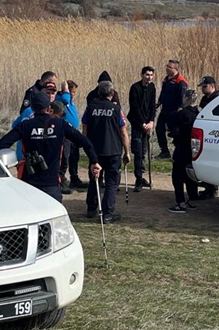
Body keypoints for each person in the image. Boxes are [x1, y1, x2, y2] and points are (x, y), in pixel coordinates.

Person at [0, 91, 100, 202]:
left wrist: (15, 159)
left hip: (29, 181)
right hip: (51, 183)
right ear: (49, 108)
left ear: (32, 108)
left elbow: (2, 144)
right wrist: (94, 161)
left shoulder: (25, 125)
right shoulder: (60, 124)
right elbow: (85, 142)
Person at [82, 80, 130, 222]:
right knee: (111, 183)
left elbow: (84, 129)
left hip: (95, 150)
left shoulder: (90, 108)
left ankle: (91, 208)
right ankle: (108, 213)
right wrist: (127, 151)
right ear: (112, 93)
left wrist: (86, 146)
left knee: (94, 179)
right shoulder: (117, 109)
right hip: (113, 150)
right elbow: (123, 132)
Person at [168, 89, 201, 213]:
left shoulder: (182, 114)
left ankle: (180, 203)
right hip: (194, 149)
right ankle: (192, 199)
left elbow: (172, 123)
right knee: (191, 175)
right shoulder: (198, 114)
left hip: (182, 147)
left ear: (186, 99)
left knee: (177, 176)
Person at [128, 65, 157, 191]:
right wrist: (142, 124)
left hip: (147, 124)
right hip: (137, 124)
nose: (149, 77)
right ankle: (138, 179)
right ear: (142, 75)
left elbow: (152, 105)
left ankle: (141, 175)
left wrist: (151, 121)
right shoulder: (135, 88)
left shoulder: (152, 87)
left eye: (151, 75)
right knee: (138, 151)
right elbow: (135, 107)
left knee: (144, 151)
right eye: (147, 75)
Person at [57, 79, 87, 192]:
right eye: (73, 92)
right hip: (65, 133)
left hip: (73, 132)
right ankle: (61, 179)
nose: (74, 94)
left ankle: (74, 177)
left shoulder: (69, 99)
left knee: (74, 156)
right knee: (65, 156)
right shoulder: (61, 98)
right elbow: (65, 99)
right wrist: (65, 90)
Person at [194, 76, 219, 199]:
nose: (202, 89)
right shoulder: (206, 98)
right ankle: (207, 186)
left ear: (212, 86)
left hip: (216, 133)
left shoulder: (218, 98)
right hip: (206, 132)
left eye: (204, 87)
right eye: (202, 87)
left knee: (213, 160)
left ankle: (212, 189)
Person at [156, 58, 188, 160]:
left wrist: (180, 109)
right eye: (167, 66)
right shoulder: (166, 79)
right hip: (164, 110)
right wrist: (158, 103)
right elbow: (163, 93)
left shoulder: (181, 81)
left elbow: (181, 97)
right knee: (159, 129)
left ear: (175, 69)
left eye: (169, 67)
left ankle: (178, 152)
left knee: (175, 132)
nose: (167, 68)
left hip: (174, 112)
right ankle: (164, 151)